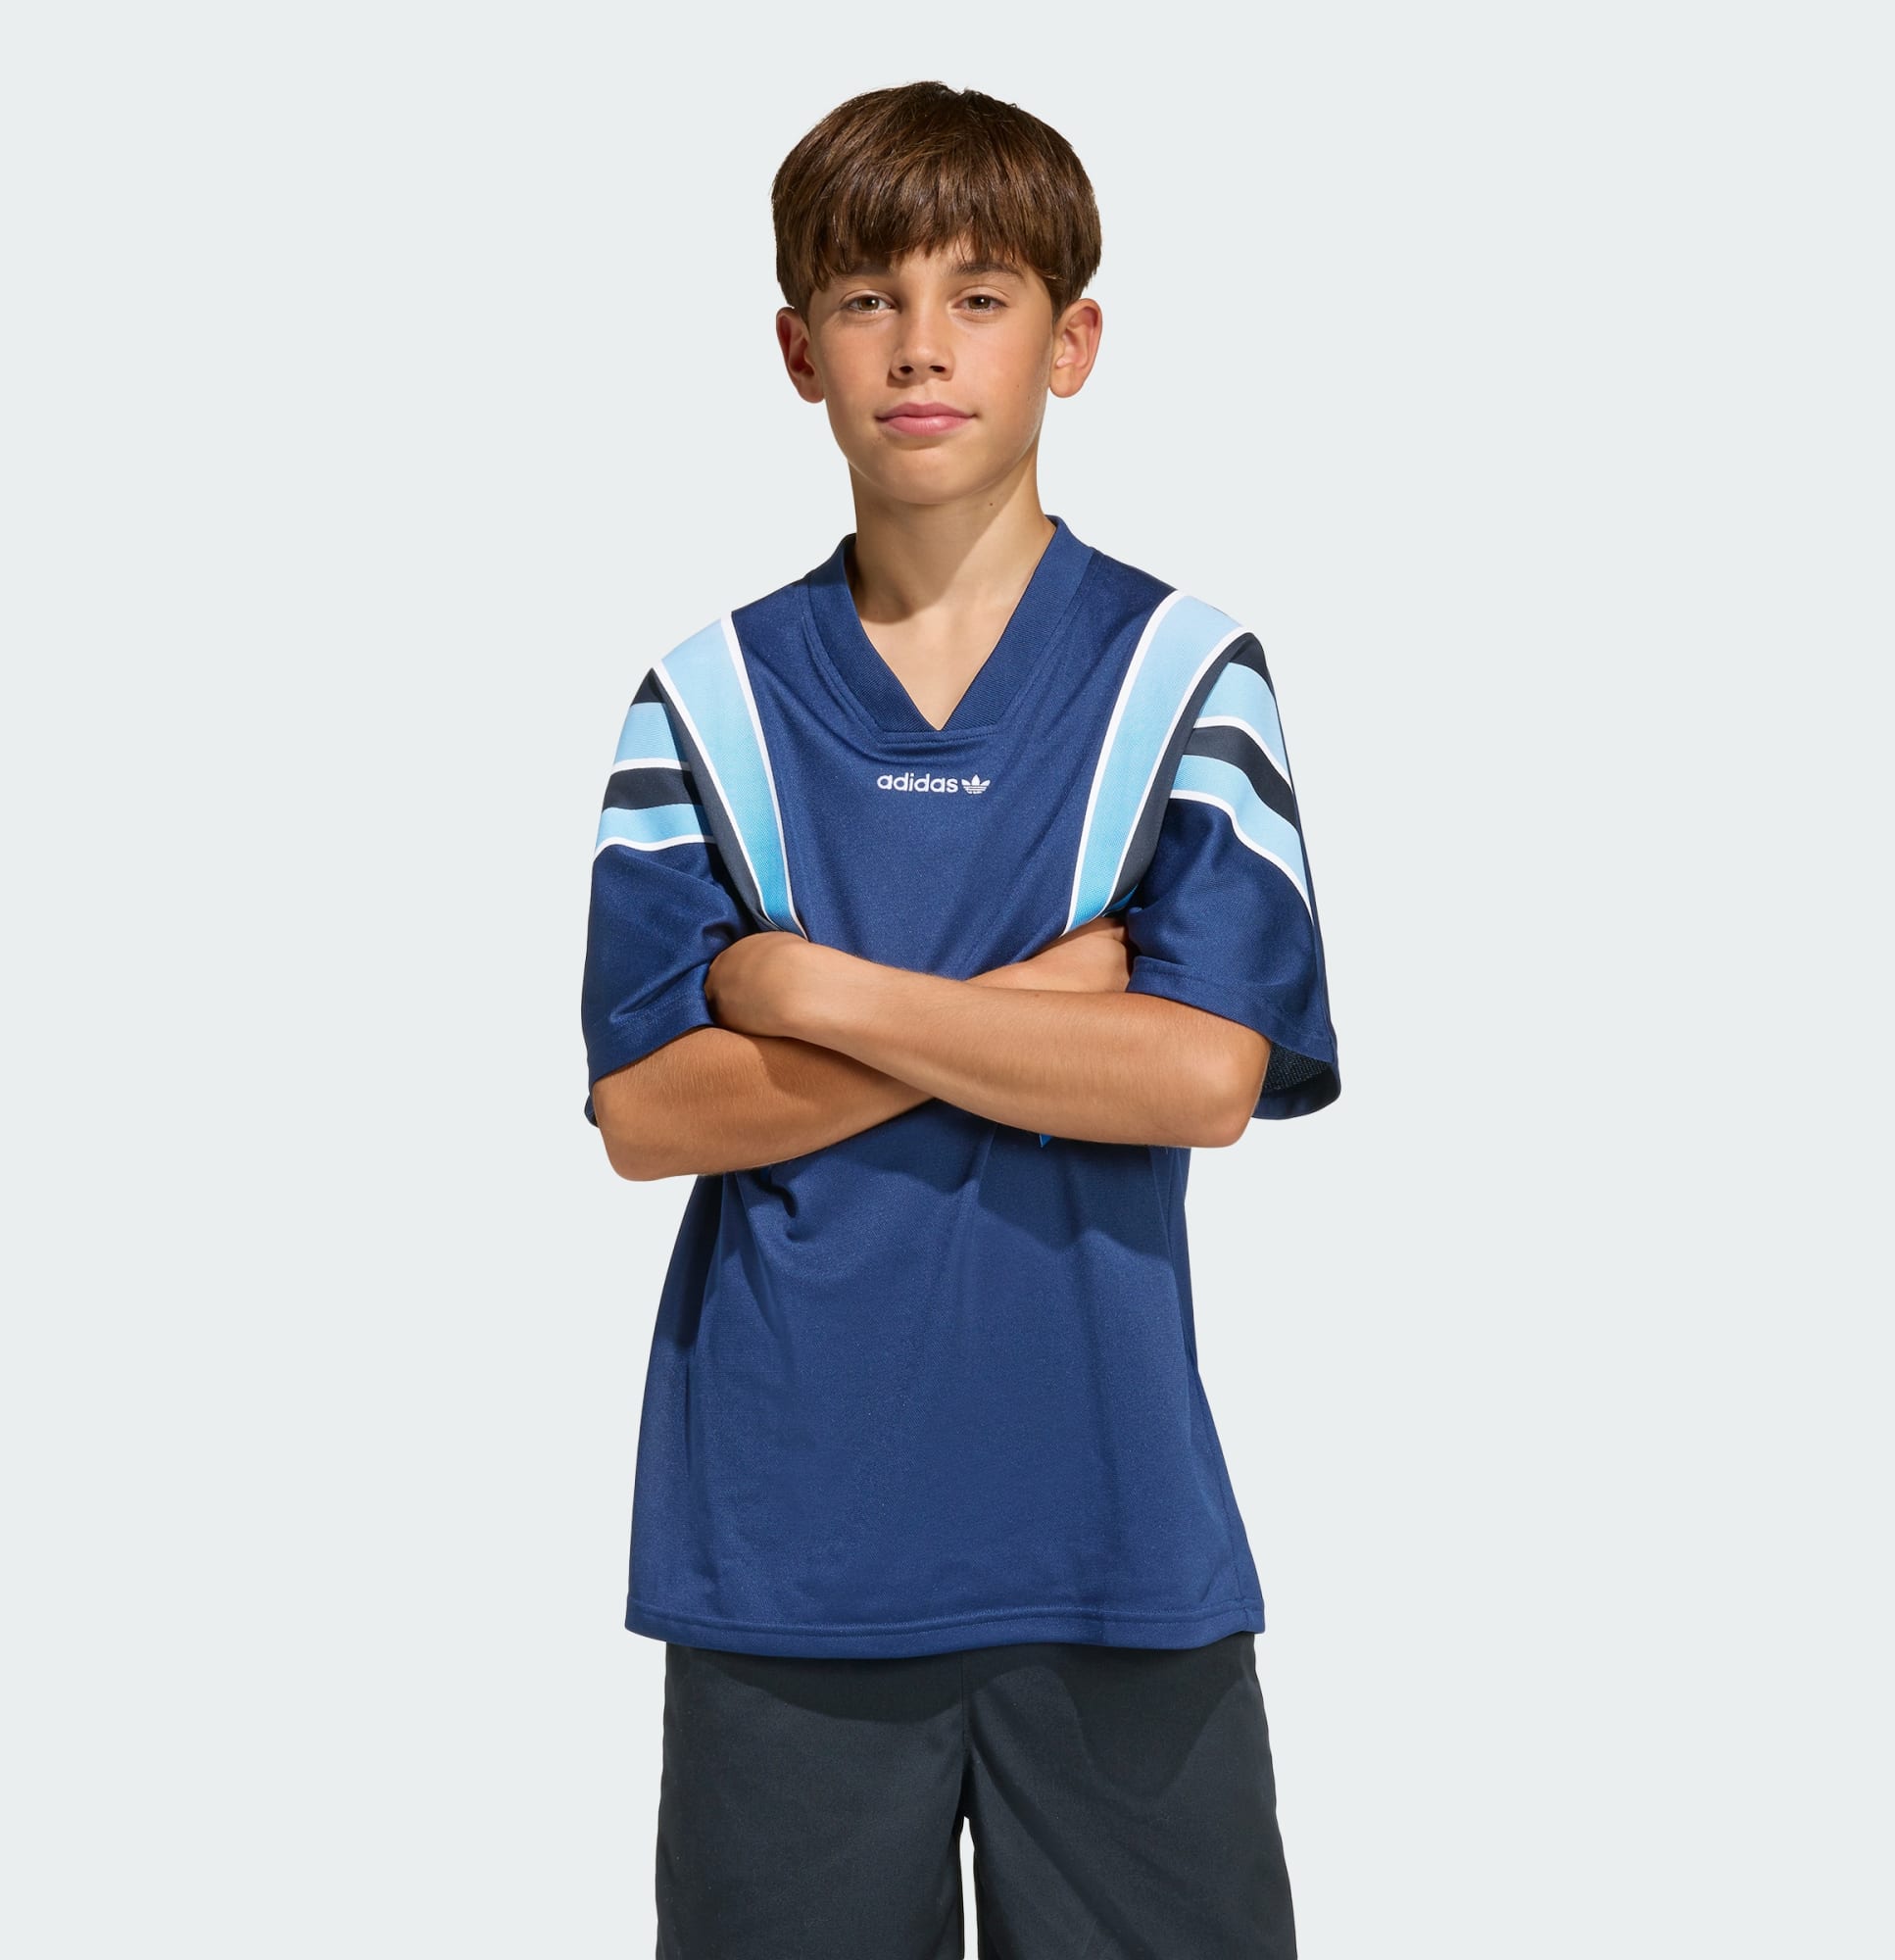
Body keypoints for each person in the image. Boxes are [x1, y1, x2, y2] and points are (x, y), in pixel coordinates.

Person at [580, 79, 1341, 1960]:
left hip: (1116, 1547)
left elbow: (1201, 1073)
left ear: (1071, 343)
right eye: (868, 298)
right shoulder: (707, 703)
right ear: (798, 351)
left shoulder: (1184, 675)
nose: (922, 345)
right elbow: (651, 1115)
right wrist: (1047, 1003)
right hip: (788, 1559)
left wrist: (809, 987)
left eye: (981, 296)